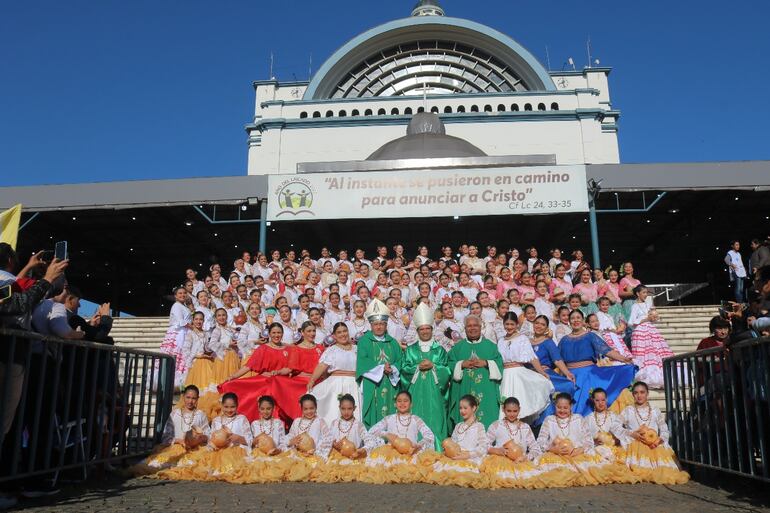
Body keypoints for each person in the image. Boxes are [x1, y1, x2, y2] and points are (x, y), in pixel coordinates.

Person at [535, 393, 624, 486]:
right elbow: (540, 441)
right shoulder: (549, 420)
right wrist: (552, 449)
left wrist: (581, 449)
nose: (562, 410)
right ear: (555, 406)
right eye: (559, 407)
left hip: (577, 454)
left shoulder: (578, 419)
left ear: (571, 406)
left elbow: (588, 440)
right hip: (556, 455)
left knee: (588, 468)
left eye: (565, 408)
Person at [559, 310, 635, 415]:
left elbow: (607, 350)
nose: (575, 320)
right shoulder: (564, 340)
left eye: (578, 318)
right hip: (571, 376)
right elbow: (558, 359)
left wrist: (624, 359)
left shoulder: (590, 336)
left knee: (589, 406)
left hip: (589, 375)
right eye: (573, 318)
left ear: (583, 321)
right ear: (569, 321)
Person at [400, 303, 450, 450]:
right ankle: (414, 447)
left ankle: (437, 448)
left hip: (434, 393)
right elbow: (404, 369)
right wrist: (417, 367)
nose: (425, 332)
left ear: (432, 329)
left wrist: (434, 367)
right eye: (422, 329)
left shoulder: (439, 350)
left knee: (435, 419)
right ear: (417, 330)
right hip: (416, 391)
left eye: (428, 328)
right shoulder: (410, 350)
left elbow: (447, 370)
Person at [219, 322, 292, 424]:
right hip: (266, 381)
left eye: (279, 333)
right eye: (274, 333)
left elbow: (292, 368)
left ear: (282, 334)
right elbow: (249, 366)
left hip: (283, 383)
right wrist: (233, 376)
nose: (276, 335)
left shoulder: (289, 349)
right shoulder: (263, 348)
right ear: (269, 334)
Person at [621, 382, 689, 484]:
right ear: (633, 395)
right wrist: (632, 434)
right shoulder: (628, 410)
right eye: (636, 393)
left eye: (642, 392)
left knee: (666, 472)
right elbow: (615, 426)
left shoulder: (655, 411)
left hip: (655, 446)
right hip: (635, 445)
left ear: (647, 394)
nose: (639, 396)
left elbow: (665, 430)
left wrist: (659, 440)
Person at [133, 385, 210, 474]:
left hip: (195, 450)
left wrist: (199, 439)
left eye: (193, 398)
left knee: (194, 465)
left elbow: (207, 434)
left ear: (197, 399)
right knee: (158, 464)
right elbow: (166, 435)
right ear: (183, 396)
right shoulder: (175, 413)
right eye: (188, 397)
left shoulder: (200, 415)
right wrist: (177, 440)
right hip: (176, 448)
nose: (190, 401)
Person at [364, 391, 435, 484]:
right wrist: (386, 434)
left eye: (405, 401)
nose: (402, 403)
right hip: (391, 453)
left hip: (411, 452)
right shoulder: (389, 418)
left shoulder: (416, 419)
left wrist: (418, 445)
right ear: (395, 404)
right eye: (399, 401)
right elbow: (372, 431)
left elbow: (429, 435)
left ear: (411, 404)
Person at [447, 315, 503, 429]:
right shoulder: (458, 348)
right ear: (465, 328)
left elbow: (499, 364)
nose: (472, 328)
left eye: (475, 325)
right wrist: (461, 364)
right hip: (464, 389)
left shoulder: (491, 346)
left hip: (486, 391)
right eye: (469, 326)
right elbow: (448, 365)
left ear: (480, 327)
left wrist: (487, 363)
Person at [355, 299, 403, 428]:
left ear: (386, 325)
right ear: (370, 325)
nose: (379, 327)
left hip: (390, 383)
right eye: (376, 324)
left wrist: (392, 368)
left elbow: (400, 360)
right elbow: (362, 362)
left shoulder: (393, 342)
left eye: (382, 324)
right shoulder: (364, 341)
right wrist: (382, 368)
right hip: (373, 384)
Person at [497, 312, 554, 421]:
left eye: (512, 324)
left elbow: (532, 357)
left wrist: (542, 372)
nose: (509, 327)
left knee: (520, 402)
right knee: (504, 404)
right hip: (505, 375)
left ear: (517, 324)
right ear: (503, 324)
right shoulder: (500, 340)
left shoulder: (522, 338)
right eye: (507, 324)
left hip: (518, 373)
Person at [423, 394, 488, 488]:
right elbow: (453, 443)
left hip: (469, 458)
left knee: (462, 473)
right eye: (460, 408)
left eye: (465, 408)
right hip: (455, 456)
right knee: (439, 469)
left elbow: (483, 448)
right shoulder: (458, 426)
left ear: (474, 408)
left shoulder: (479, 426)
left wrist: (467, 455)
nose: (462, 411)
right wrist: (448, 451)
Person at [481, 397, 547, 489]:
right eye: (509, 411)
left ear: (519, 410)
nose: (512, 414)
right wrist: (496, 450)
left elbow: (535, 448)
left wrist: (526, 457)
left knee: (530, 477)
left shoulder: (525, 427)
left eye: (515, 411)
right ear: (503, 410)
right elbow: (483, 444)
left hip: (521, 462)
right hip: (500, 462)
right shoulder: (496, 425)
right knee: (501, 477)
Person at [529, 315, 576, 424]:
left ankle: (544, 422)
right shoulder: (526, 341)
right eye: (537, 323)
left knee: (563, 387)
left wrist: (567, 373)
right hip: (528, 375)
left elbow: (557, 360)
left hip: (544, 373)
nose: (539, 326)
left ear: (546, 328)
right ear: (533, 325)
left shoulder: (548, 342)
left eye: (543, 324)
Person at [273, 321, 324, 421]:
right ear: (303, 333)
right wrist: (278, 372)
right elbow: (290, 368)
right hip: (301, 382)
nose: (312, 333)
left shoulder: (321, 348)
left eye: (314, 331)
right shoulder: (296, 349)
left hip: (318, 381)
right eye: (309, 331)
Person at [628, 285, 674, 389]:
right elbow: (631, 322)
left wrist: (654, 317)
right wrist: (645, 319)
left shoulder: (648, 304)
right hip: (640, 332)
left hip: (651, 331)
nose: (645, 295)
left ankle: (660, 378)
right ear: (637, 293)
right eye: (643, 292)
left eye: (646, 292)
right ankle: (645, 378)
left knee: (656, 353)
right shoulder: (635, 306)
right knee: (644, 356)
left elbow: (654, 318)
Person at [182, 312, 219, 419]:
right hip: (196, 364)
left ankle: (204, 415)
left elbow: (208, 348)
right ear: (193, 321)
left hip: (207, 363)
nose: (198, 321)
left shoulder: (206, 334)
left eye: (201, 319)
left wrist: (209, 350)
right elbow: (185, 351)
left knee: (209, 390)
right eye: (196, 319)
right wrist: (197, 356)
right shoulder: (190, 333)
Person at [158, 287, 192, 387]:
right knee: (178, 354)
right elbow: (181, 321)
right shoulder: (177, 306)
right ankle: (172, 380)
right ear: (176, 296)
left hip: (184, 332)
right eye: (180, 293)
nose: (182, 295)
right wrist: (193, 327)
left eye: (184, 293)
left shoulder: (184, 306)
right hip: (179, 333)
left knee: (182, 356)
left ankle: (180, 380)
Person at [285, 394, 333, 463]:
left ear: (316, 407)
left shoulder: (319, 421)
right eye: (306, 409)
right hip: (297, 454)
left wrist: (316, 451)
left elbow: (328, 438)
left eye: (311, 408)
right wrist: (291, 441)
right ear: (301, 409)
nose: (309, 411)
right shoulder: (297, 421)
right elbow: (291, 435)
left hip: (314, 455)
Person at [208, 308, 242, 385]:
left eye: (223, 315)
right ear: (216, 318)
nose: (221, 317)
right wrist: (228, 345)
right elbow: (212, 344)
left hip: (234, 358)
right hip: (223, 359)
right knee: (223, 382)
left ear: (227, 316)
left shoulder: (231, 329)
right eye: (219, 315)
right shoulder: (217, 330)